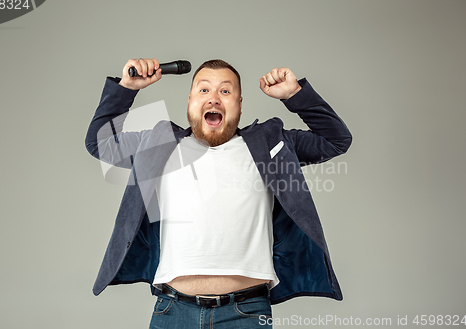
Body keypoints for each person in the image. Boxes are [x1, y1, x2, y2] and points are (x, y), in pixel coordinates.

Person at [85, 58, 352, 328]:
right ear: (190, 100)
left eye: (225, 91)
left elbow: (336, 140)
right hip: (173, 312)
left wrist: (294, 95)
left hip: (245, 314)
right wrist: (127, 88)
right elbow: (100, 143)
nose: (213, 99)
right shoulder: (158, 143)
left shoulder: (270, 143)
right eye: (204, 90)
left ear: (239, 103)